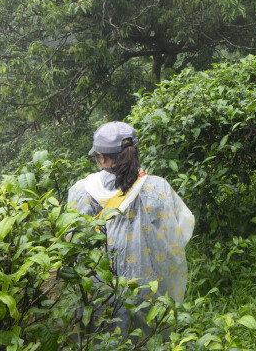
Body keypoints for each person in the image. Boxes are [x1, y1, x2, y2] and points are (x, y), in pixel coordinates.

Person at [68, 121, 194, 335]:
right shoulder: (158, 187)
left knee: (104, 338)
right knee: (148, 338)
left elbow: (71, 243)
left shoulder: (81, 191)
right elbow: (183, 228)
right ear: (134, 152)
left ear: (102, 158)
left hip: (102, 292)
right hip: (148, 289)